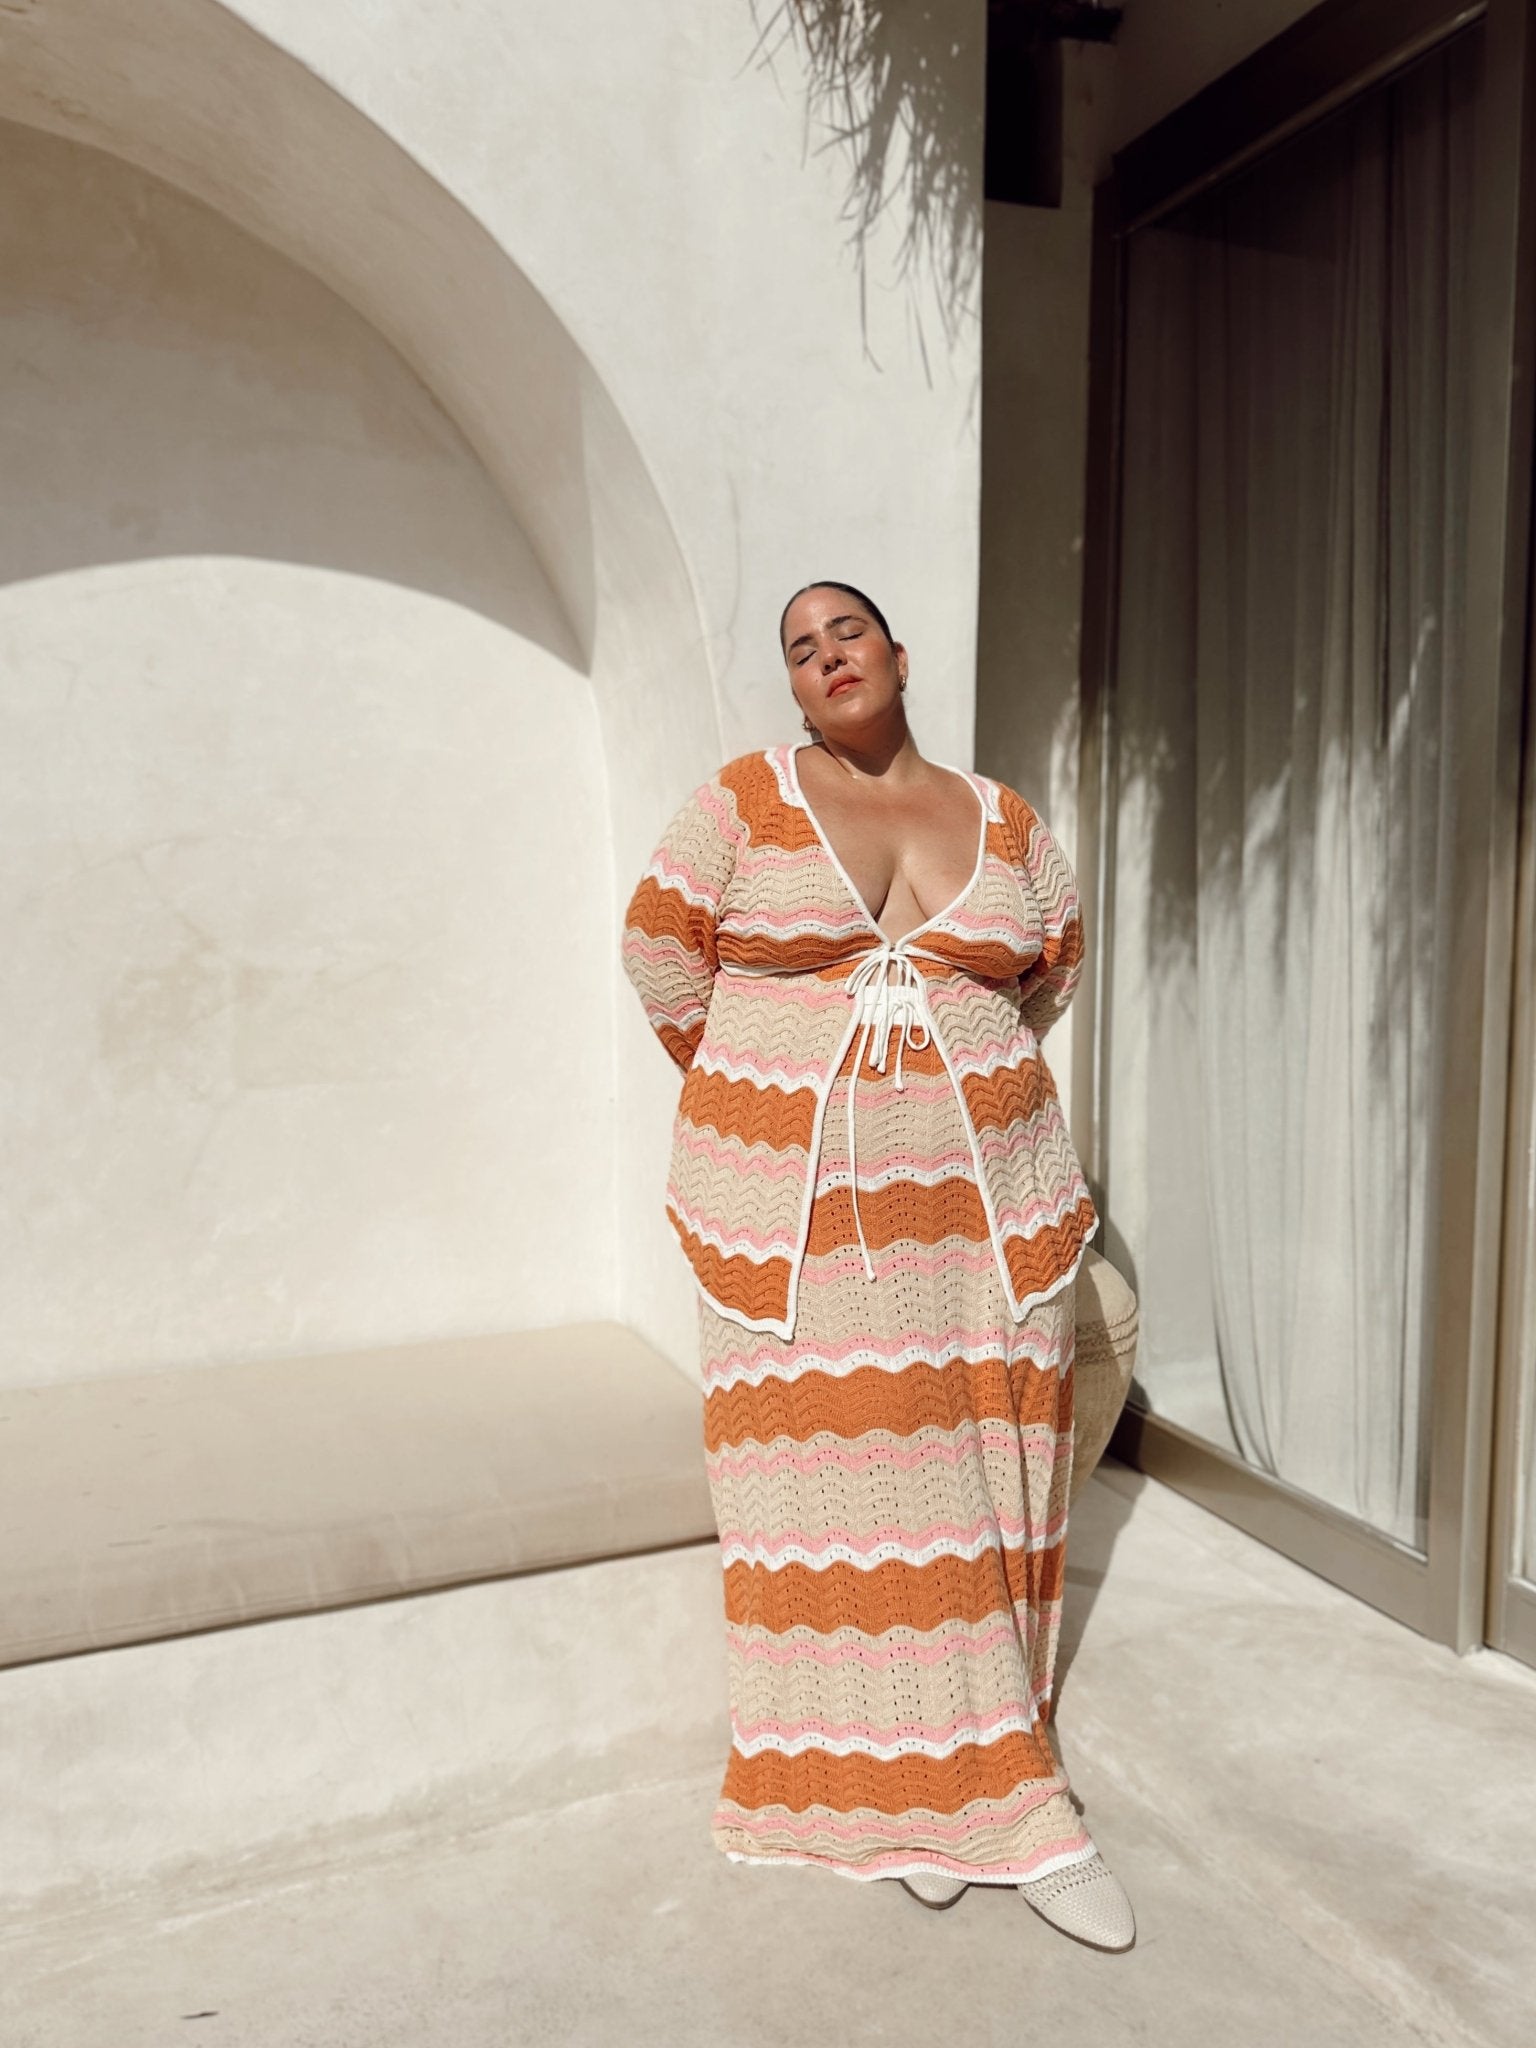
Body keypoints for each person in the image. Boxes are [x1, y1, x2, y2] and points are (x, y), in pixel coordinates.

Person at [620, 581, 1136, 1952]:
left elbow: (1050, 968)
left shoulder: (1005, 819)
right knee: (859, 1492)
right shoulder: (740, 804)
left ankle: (971, 1778)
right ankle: (951, 1798)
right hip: (801, 1221)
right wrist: (775, 1078)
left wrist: (956, 1063)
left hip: (985, 1210)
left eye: (845, 632)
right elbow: (660, 958)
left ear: (898, 656)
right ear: (793, 689)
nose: (825, 655)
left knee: (983, 1475)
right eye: (799, 649)